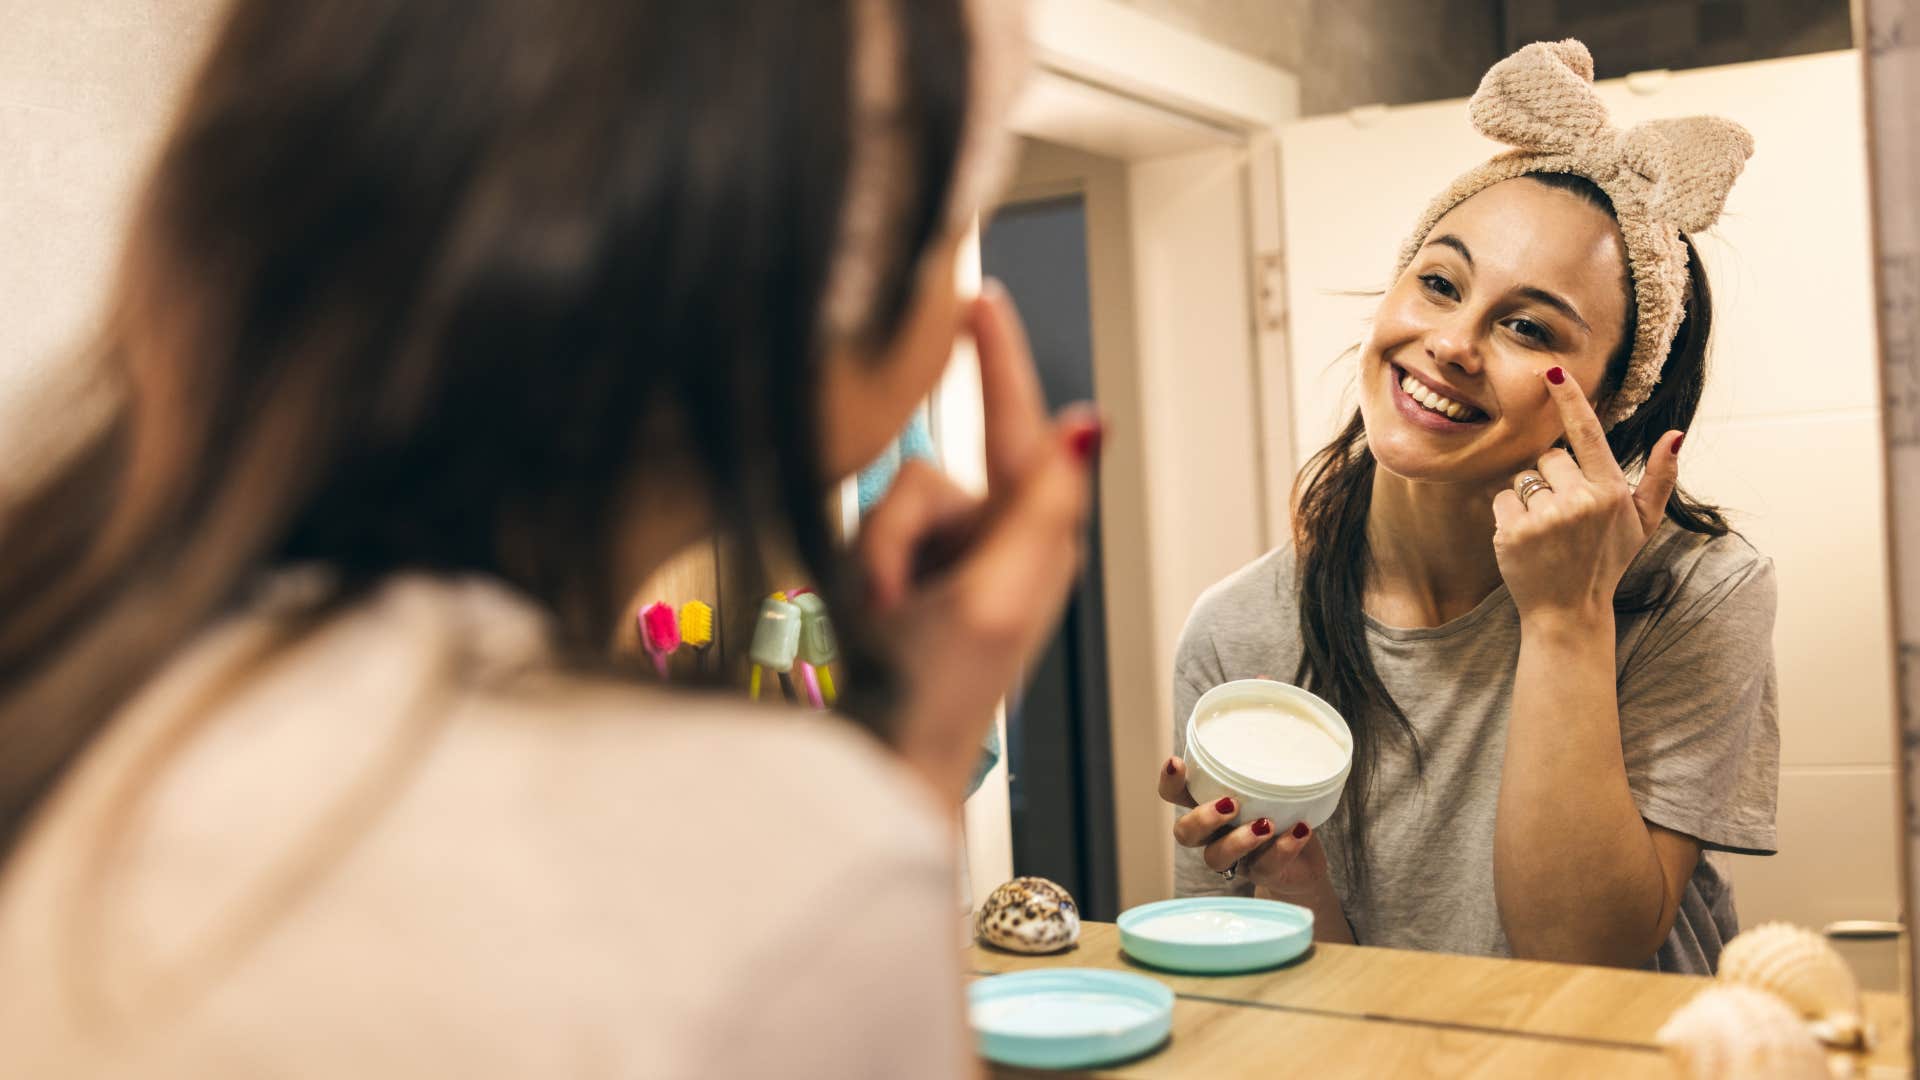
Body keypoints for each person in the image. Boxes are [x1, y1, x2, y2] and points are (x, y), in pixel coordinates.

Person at [0, 1, 1096, 1075]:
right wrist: (909, 771)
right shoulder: (798, 877)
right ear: (818, 284)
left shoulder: (71, 663)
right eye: (956, 200)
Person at [1157, 40, 1776, 974]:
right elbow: (1276, 1018)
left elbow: (1583, 962)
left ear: (1615, 401)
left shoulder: (1696, 590)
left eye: (1528, 327)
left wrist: (1567, 619)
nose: (1450, 343)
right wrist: (1292, 885)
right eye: (1439, 282)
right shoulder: (1241, 632)